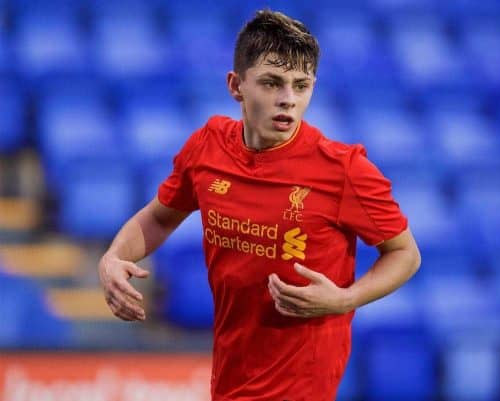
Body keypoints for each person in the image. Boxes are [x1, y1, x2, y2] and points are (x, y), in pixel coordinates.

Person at [98, 9, 421, 401]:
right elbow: (160, 217)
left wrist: (346, 298)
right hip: (231, 378)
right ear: (236, 85)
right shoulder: (207, 146)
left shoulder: (344, 169)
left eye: (301, 86)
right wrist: (112, 258)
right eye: (272, 83)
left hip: (301, 387)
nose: (288, 100)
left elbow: (405, 253)